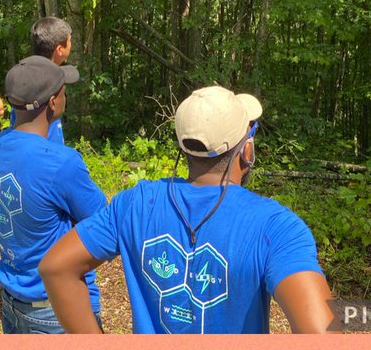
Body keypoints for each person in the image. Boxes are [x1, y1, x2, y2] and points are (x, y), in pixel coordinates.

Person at [41, 85, 334, 334]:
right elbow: (321, 334)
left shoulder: (136, 203)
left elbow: (55, 267)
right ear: (246, 150)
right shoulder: (275, 227)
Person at [0, 57, 107, 334]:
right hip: (55, 307)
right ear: (53, 102)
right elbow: (101, 220)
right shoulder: (60, 163)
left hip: (13, 300)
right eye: (63, 91)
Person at [27, 16, 73, 144]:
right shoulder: (48, 82)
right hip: (46, 153)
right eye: (69, 41)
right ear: (59, 50)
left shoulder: (26, 76)